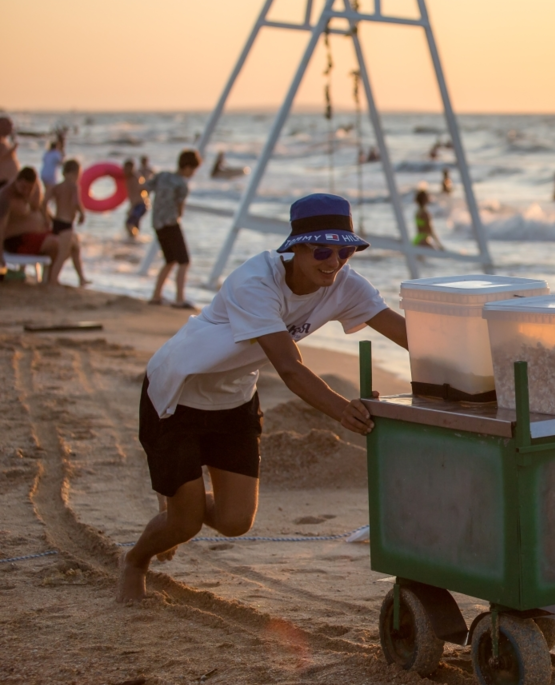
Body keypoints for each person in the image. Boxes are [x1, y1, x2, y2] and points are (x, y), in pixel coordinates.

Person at [117, 193, 411, 601]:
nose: (334, 262)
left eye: (345, 251)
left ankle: (181, 502)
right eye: (323, 250)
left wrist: (475, 358)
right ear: (295, 249)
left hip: (233, 398)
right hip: (178, 392)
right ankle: (136, 561)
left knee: (236, 521)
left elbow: (408, 335)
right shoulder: (255, 281)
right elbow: (289, 367)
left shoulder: (345, 284)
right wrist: (345, 411)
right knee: (184, 526)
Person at [147, 149, 200, 308]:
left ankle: (156, 295)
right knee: (184, 261)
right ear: (188, 167)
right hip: (171, 223)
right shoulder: (182, 185)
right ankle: (179, 298)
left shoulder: (162, 175)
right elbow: (180, 209)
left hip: (157, 223)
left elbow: (145, 187)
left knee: (170, 260)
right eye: (193, 170)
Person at [1, 167, 67, 283]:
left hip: (33, 236)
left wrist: (49, 218)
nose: (26, 192)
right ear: (17, 181)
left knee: (68, 240)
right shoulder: (6, 197)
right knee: (55, 243)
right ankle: (50, 281)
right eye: (23, 188)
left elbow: (41, 207)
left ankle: (49, 278)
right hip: (16, 241)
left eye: (29, 189)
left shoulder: (33, 192)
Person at [43, 159, 89, 286]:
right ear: (75, 173)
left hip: (57, 223)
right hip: (67, 225)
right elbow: (76, 202)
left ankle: (82, 278)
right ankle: (53, 281)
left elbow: (44, 202)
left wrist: (48, 217)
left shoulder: (57, 187)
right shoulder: (73, 186)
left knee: (76, 249)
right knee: (61, 255)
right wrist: (82, 214)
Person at [123, 159, 148, 238]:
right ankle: (135, 242)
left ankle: (133, 241)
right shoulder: (128, 178)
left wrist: (131, 208)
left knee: (129, 224)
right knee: (134, 225)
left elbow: (139, 193)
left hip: (140, 205)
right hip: (138, 205)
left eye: (128, 168)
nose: (125, 170)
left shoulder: (135, 178)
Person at [0, 116, 18, 188]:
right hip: (3, 182)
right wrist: (12, 150)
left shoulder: (5, 141)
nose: (11, 127)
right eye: (8, 125)